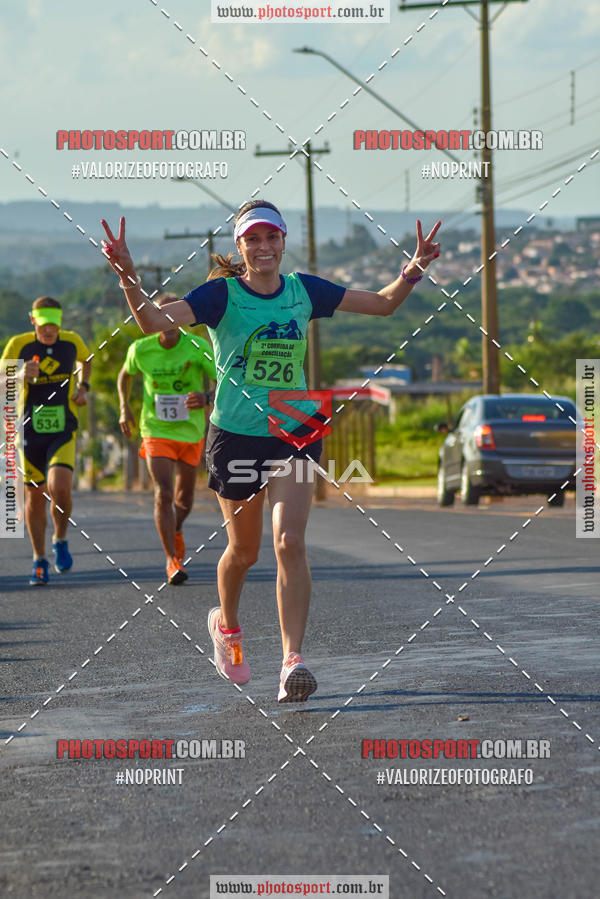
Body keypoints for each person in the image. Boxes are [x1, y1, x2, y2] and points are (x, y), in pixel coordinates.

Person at [100, 201, 440, 702]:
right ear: (239, 247)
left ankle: (292, 661)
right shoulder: (221, 295)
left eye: (271, 238)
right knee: (244, 551)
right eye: (252, 240)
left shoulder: (305, 291)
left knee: (290, 543)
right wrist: (128, 275)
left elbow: (384, 303)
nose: (263, 248)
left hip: (295, 424)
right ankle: (228, 627)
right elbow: (152, 322)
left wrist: (413, 269)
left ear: (283, 242)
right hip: (235, 433)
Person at [117, 292, 216, 585]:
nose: (170, 321)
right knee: (163, 493)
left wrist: (207, 397)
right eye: (164, 314)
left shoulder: (197, 346)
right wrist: (125, 407)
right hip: (155, 429)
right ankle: (172, 560)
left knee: (184, 501)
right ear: (155, 318)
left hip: (190, 430)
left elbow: (221, 377)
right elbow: (125, 374)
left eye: (176, 314)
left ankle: (175, 529)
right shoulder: (141, 349)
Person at [1, 297, 91, 585]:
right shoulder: (19, 345)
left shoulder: (72, 341)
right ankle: (39, 559)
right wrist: (18, 373)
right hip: (28, 433)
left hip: (63, 426)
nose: (49, 330)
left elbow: (86, 361)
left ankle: (60, 539)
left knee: (60, 486)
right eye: (43, 325)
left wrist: (83, 387)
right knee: (35, 497)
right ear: (33, 321)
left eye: (54, 324)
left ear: (60, 322)